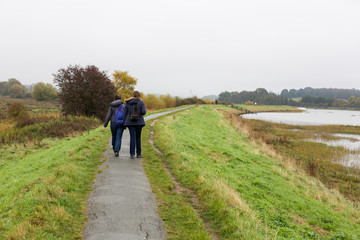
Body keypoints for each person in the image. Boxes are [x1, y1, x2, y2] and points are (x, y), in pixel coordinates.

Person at [123, 91, 146, 159]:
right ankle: (138, 154)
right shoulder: (141, 102)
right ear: (139, 96)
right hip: (139, 122)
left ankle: (132, 154)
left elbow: (125, 113)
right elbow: (143, 112)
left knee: (132, 137)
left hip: (130, 122)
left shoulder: (128, 103)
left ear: (132, 95)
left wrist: (124, 123)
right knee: (138, 138)